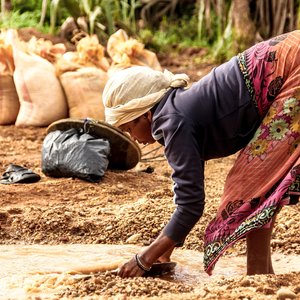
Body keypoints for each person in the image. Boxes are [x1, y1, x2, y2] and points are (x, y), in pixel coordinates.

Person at [102, 30, 300, 278]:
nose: (133, 138)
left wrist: (144, 259)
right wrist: (165, 249)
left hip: (292, 66)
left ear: (145, 115)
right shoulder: (175, 111)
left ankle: (258, 275)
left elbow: (191, 204)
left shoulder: (172, 122)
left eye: (129, 128)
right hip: (288, 56)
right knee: (259, 183)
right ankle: (260, 274)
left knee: (251, 185)